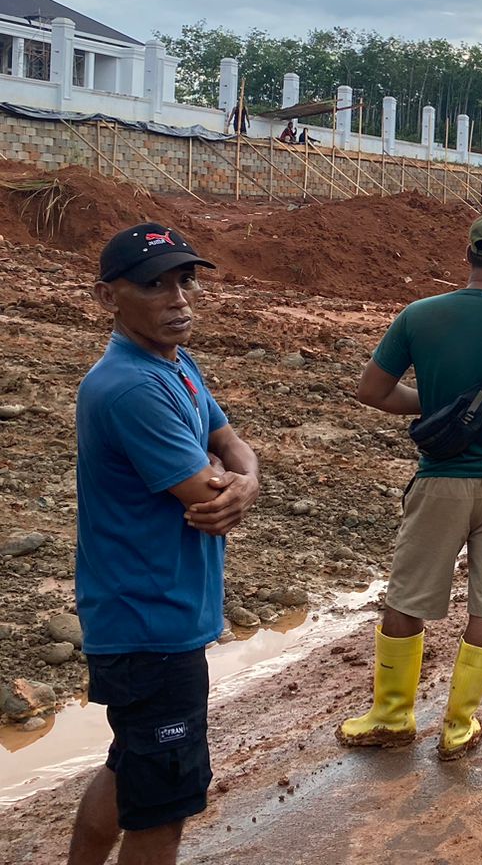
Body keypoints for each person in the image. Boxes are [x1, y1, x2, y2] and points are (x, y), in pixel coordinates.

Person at [338, 210, 482, 761]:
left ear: (467, 256)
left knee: (406, 599)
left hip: (441, 481)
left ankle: (392, 717)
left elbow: (370, 390)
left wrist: (440, 405)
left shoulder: (419, 317)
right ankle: (459, 726)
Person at [69, 224, 261, 865]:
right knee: (162, 813)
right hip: (151, 629)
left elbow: (229, 442)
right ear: (107, 298)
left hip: (147, 621)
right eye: (154, 285)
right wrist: (231, 483)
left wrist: (247, 477)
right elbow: (206, 491)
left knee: (132, 770)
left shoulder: (172, 364)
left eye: (185, 280)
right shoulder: (130, 387)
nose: (179, 299)